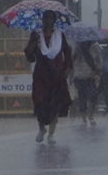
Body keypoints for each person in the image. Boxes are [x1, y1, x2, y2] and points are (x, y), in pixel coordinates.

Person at [23, 10, 73, 145]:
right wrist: (34, 44)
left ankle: (51, 133)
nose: (47, 21)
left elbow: (67, 53)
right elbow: (30, 56)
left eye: (50, 18)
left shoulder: (59, 35)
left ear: (54, 20)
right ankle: (41, 128)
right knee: (40, 102)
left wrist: (67, 68)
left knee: (55, 104)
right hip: (41, 75)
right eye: (45, 18)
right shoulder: (36, 35)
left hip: (57, 75)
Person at [71, 40, 102, 126]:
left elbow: (99, 61)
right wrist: (76, 54)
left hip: (91, 76)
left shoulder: (95, 47)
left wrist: (96, 71)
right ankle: (83, 118)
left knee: (93, 96)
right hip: (79, 75)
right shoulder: (77, 46)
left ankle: (91, 115)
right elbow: (72, 60)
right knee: (82, 97)